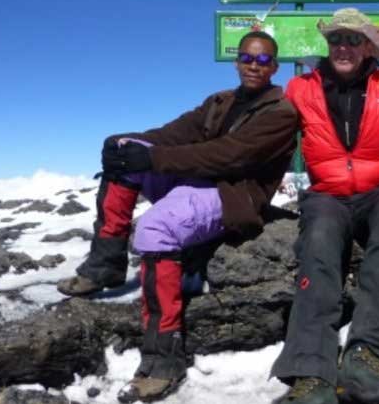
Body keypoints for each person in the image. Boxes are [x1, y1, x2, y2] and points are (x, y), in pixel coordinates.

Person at [56, 30, 298, 403]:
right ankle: (104, 266)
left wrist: (153, 159)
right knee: (124, 157)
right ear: (237, 61)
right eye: (247, 58)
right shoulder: (220, 101)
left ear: (274, 67)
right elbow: (174, 133)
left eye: (263, 60)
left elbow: (229, 155)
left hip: (233, 196)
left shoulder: (281, 113)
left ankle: (163, 359)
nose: (254, 65)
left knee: (154, 228)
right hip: (194, 180)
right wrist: (126, 143)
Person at [270, 8, 379, 404]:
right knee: (317, 244)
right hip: (327, 194)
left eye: (354, 39)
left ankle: (368, 356)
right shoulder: (299, 88)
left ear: (368, 46)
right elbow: (264, 127)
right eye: (336, 38)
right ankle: (310, 372)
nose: (343, 46)